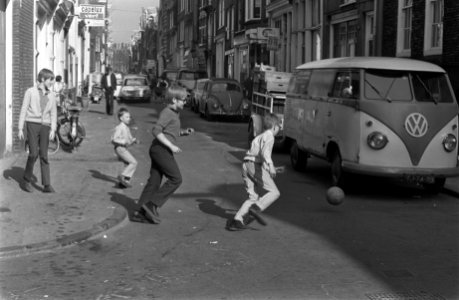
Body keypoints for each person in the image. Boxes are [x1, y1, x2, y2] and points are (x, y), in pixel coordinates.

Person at [132, 85, 194, 224]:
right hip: (161, 150)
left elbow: (169, 132)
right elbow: (156, 131)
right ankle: (151, 205)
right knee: (176, 179)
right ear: (174, 100)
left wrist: (183, 132)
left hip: (159, 149)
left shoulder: (174, 113)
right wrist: (171, 145)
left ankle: (139, 212)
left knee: (154, 182)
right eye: (183, 100)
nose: (185, 102)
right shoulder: (167, 112)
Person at [226, 113, 282, 231]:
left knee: (253, 197)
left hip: (246, 164)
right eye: (279, 127)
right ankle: (256, 208)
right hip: (253, 165)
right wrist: (270, 165)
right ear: (274, 127)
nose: (279, 130)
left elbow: (256, 154)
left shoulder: (259, 136)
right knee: (274, 192)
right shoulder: (270, 136)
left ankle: (237, 220)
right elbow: (265, 153)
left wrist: (270, 167)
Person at [18, 68, 58, 193]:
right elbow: (24, 109)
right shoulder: (30, 92)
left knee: (44, 155)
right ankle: (26, 179)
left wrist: (53, 128)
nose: (52, 82)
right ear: (42, 79)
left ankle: (47, 185)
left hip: (45, 126)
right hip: (32, 124)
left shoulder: (52, 95)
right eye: (50, 80)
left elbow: (53, 113)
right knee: (33, 153)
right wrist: (20, 128)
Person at [111, 108, 138, 188]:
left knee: (127, 164)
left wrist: (134, 140)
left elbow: (129, 139)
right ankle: (122, 176)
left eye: (129, 117)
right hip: (120, 148)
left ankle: (124, 182)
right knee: (133, 162)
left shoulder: (126, 127)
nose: (129, 119)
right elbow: (114, 139)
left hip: (123, 148)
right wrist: (123, 141)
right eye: (126, 117)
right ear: (121, 118)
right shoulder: (119, 127)